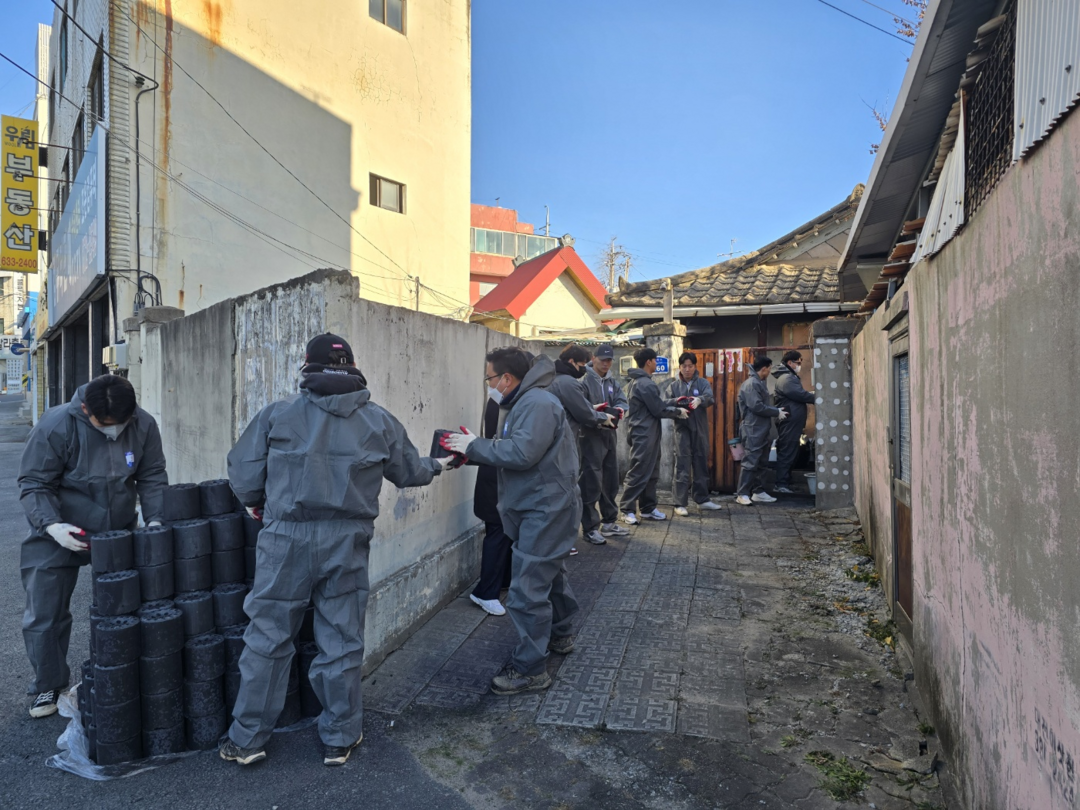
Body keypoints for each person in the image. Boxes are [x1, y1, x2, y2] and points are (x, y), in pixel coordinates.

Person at [220, 333, 451, 767]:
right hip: (347, 540)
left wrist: (255, 502)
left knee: (268, 638)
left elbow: (243, 470)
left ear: (308, 368)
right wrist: (439, 464)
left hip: (285, 538)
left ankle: (247, 740)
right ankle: (340, 738)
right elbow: (410, 472)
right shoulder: (379, 420)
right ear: (352, 369)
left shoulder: (279, 414)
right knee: (341, 638)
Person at [18, 374, 168, 719]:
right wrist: (52, 525)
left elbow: (152, 475)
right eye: (105, 425)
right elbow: (33, 483)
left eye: (121, 424)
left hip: (117, 529)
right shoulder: (56, 425)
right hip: (60, 528)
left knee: (127, 607)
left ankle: (124, 674)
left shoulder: (143, 424)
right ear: (86, 410)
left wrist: (156, 519)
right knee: (45, 612)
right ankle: (48, 683)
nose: (113, 431)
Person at [443, 348, 580, 696]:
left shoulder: (536, 404)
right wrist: (473, 451)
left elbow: (521, 453)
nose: (489, 384)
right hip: (545, 505)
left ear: (506, 378)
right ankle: (560, 635)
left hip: (544, 509)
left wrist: (476, 446)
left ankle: (531, 669)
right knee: (550, 576)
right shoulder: (530, 402)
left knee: (526, 590)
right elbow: (520, 450)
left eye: (490, 378)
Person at [548, 343, 615, 552]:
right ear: (571, 362)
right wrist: (603, 416)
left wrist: (592, 410)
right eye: (582, 364)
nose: (585, 369)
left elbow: (578, 408)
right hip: (564, 445)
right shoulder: (569, 383)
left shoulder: (556, 380)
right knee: (569, 494)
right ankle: (563, 542)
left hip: (560, 443)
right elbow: (584, 413)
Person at [619, 347, 688, 525]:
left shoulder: (641, 382)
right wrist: (678, 411)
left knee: (651, 472)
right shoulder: (645, 383)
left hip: (647, 432)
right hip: (643, 433)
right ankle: (626, 509)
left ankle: (648, 508)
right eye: (655, 360)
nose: (657, 364)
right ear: (649, 362)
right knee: (639, 471)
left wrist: (674, 401)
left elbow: (655, 404)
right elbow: (658, 409)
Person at [579, 345, 630, 544]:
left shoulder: (612, 381)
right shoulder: (583, 380)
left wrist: (620, 409)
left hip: (610, 435)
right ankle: (590, 528)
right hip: (590, 436)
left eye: (609, 360)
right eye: (602, 360)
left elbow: (622, 400)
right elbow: (581, 409)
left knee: (610, 479)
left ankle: (609, 522)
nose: (606, 364)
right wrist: (600, 417)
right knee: (591, 481)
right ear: (594, 358)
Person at [468, 391, 512, 616]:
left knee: (504, 533)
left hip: (498, 473)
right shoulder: (500, 399)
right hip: (495, 476)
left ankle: (502, 581)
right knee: (498, 533)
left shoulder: (506, 398)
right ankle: (485, 592)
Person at [663, 352, 722, 515]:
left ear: (695, 367)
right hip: (682, 429)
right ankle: (679, 503)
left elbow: (710, 398)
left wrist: (700, 400)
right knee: (682, 464)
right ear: (680, 367)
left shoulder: (702, 383)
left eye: (690, 366)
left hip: (700, 429)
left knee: (701, 462)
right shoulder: (673, 386)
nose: (687, 369)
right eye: (684, 366)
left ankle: (702, 499)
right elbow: (664, 404)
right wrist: (677, 408)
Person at [735, 356, 788, 506]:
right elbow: (756, 406)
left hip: (761, 428)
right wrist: (775, 411)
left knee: (762, 462)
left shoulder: (758, 382)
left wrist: (774, 412)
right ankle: (743, 493)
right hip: (752, 428)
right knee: (750, 462)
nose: (770, 371)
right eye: (769, 368)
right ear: (764, 368)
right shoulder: (752, 384)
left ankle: (758, 492)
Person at [771, 350, 815, 494]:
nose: (800, 365)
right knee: (787, 451)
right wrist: (816, 396)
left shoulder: (787, 377)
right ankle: (781, 484)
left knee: (790, 450)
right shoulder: (787, 379)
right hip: (790, 420)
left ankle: (784, 482)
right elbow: (799, 395)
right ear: (790, 363)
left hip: (791, 420)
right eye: (798, 362)